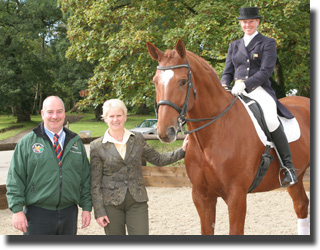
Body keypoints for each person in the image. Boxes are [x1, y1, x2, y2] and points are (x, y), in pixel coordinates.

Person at [220, 7, 297, 187]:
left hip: (259, 89)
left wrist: (245, 84)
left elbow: (266, 71)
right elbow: (227, 72)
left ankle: (288, 168)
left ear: (258, 22)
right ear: (241, 24)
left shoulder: (267, 43)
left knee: (270, 120)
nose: (248, 25)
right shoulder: (234, 45)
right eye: (245, 22)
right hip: (235, 91)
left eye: (251, 21)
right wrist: (224, 85)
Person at [90, 99, 189, 235]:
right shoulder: (96, 146)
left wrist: (182, 151)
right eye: (111, 116)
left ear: (125, 116)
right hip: (111, 204)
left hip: (137, 201)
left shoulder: (137, 138)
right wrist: (99, 211)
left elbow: (158, 159)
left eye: (119, 115)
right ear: (105, 119)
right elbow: (95, 182)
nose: (115, 120)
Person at [6, 96, 92, 235]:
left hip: (69, 213)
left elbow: (85, 178)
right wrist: (17, 210)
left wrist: (87, 207)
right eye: (50, 112)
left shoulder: (75, 143)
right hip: (37, 214)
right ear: (42, 114)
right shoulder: (27, 142)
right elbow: (15, 177)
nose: (55, 116)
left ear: (64, 113)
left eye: (59, 112)